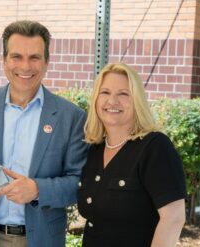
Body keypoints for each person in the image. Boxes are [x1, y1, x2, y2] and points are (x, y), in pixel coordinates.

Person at [0, 20, 88, 247]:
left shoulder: (71, 117)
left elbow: (78, 182)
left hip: (40, 239)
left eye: (34, 57)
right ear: (4, 60)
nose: (25, 66)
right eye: (16, 56)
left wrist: (37, 190)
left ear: (46, 62)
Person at [78, 62, 186, 247]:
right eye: (105, 92)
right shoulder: (94, 150)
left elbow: (174, 217)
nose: (112, 101)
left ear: (137, 101)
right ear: (95, 99)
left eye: (123, 94)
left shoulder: (154, 147)